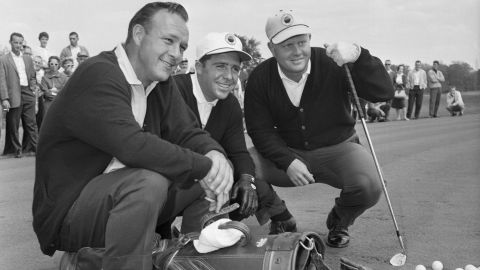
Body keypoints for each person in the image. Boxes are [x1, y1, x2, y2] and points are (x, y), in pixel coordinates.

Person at [33, 3, 233, 270]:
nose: (176, 53)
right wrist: (205, 166)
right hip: (71, 213)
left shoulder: (160, 82)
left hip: (124, 203)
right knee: (148, 182)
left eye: (182, 47)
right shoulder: (99, 73)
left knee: (207, 177)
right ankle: (88, 258)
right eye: (168, 41)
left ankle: (188, 259)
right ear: (139, 34)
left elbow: (187, 132)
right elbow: (133, 146)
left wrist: (214, 155)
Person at [244, 10, 393, 248]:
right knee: (243, 166)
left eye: (302, 42)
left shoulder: (333, 63)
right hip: (288, 152)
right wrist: (287, 161)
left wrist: (360, 56)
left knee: (370, 184)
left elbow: (383, 93)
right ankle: (281, 217)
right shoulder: (260, 78)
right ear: (272, 48)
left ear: (310, 40)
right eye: (287, 45)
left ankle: (340, 221)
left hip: (339, 149)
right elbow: (259, 130)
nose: (297, 51)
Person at [168, 32, 296, 233]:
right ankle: (184, 239)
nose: (229, 76)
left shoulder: (230, 104)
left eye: (235, 68)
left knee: (247, 177)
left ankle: (282, 219)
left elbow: (238, 152)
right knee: (218, 169)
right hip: (169, 179)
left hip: (202, 180)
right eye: (220, 66)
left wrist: (247, 181)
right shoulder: (172, 90)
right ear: (199, 67)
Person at [0, 32, 38, 158]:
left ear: (23, 43)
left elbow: (32, 76)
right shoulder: (4, 59)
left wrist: (32, 88)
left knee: (31, 122)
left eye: (20, 43)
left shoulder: (27, 58)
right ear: (10, 42)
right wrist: (4, 98)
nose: (18, 45)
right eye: (15, 42)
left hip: (27, 92)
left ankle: (36, 148)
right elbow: (2, 80)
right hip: (13, 94)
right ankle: (17, 150)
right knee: (13, 123)